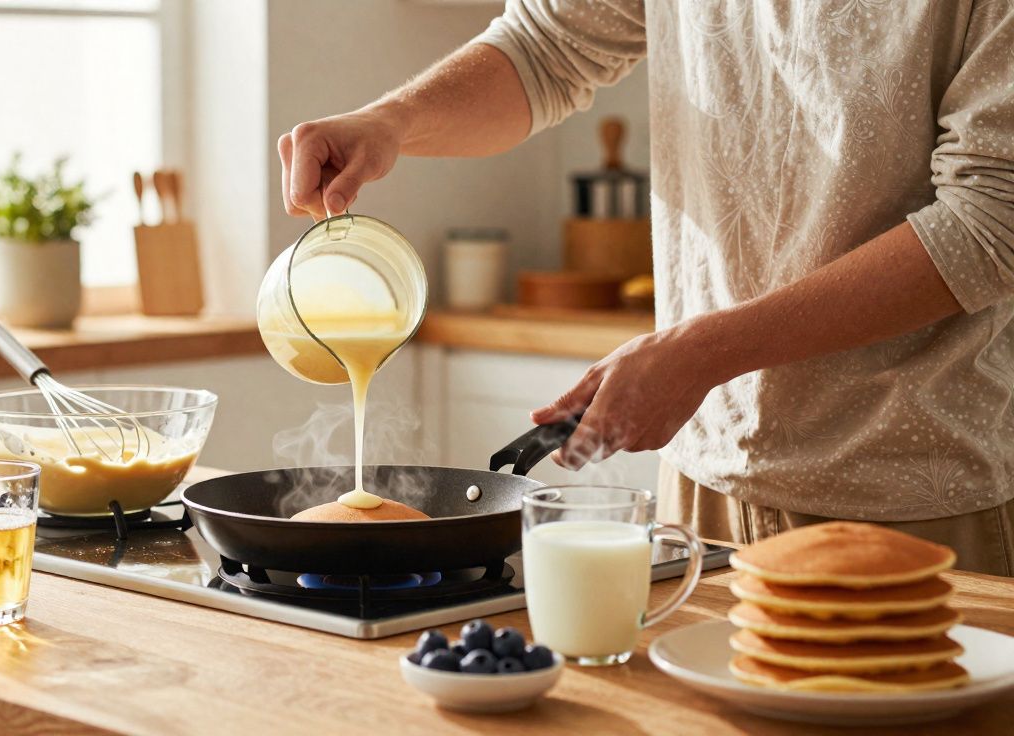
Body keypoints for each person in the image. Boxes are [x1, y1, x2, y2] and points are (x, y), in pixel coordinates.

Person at [277, 0, 1014, 575]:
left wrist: (702, 352)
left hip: (906, 485)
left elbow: (991, 219)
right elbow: (544, 50)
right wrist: (393, 121)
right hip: (700, 479)